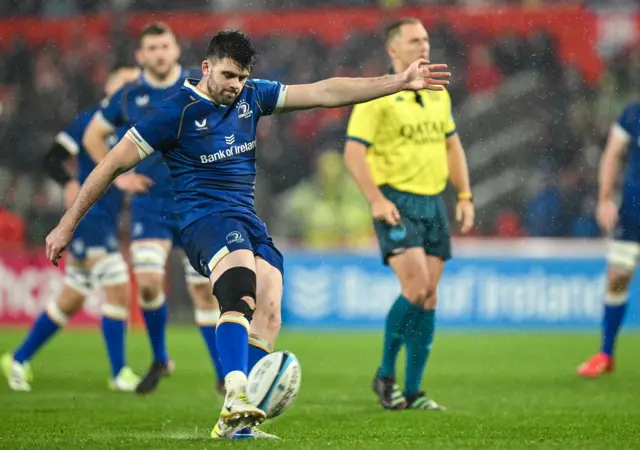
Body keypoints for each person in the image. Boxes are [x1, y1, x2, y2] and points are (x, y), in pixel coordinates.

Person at [45, 30, 450, 439]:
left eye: (241, 77)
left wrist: (397, 82)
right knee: (241, 286)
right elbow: (110, 165)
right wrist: (67, 223)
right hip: (204, 221)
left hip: (246, 219)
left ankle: (235, 424)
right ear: (206, 68)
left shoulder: (252, 96)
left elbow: (326, 91)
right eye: (227, 76)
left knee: (270, 306)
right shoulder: (174, 112)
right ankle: (235, 392)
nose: (234, 86)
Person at [83, 22, 224, 394]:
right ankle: (161, 358)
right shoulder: (129, 95)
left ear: (176, 49)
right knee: (147, 284)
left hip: (195, 201)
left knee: (204, 291)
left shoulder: (200, 84)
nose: (160, 53)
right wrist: (118, 178)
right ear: (141, 55)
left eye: (165, 46)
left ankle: (222, 373)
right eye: (152, 48)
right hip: (151, 205)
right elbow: (92, 135)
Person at [344, 18, 474, 411]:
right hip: (396, 202)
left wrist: (464, 194)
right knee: (416, 288)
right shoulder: (378, 96)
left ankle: (414, 391)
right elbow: (353, 152)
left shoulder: (438, 94)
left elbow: (453, 146)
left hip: (433, 203)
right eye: (414, 40)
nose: (423, 46)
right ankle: (385, 375)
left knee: (430, 297)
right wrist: (375, 200)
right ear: (393, 50)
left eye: (427, 39)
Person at [1, 65, 145, 392]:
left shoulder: (134, 125)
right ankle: (119, 371)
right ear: (108, 87)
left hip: (106, 217)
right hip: (88, 218)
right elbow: (52, 158)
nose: (129, 89)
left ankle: (18, 357)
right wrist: (68, 183)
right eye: (123, 83)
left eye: (133, 84)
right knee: (119, 285)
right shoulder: (89, 122)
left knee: (72, 298)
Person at [578, 101, 640, 377]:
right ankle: (606, 353)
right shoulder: (633, 112)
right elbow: (612, 153)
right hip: (633, 211)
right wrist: (604, 199)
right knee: (617, 278)